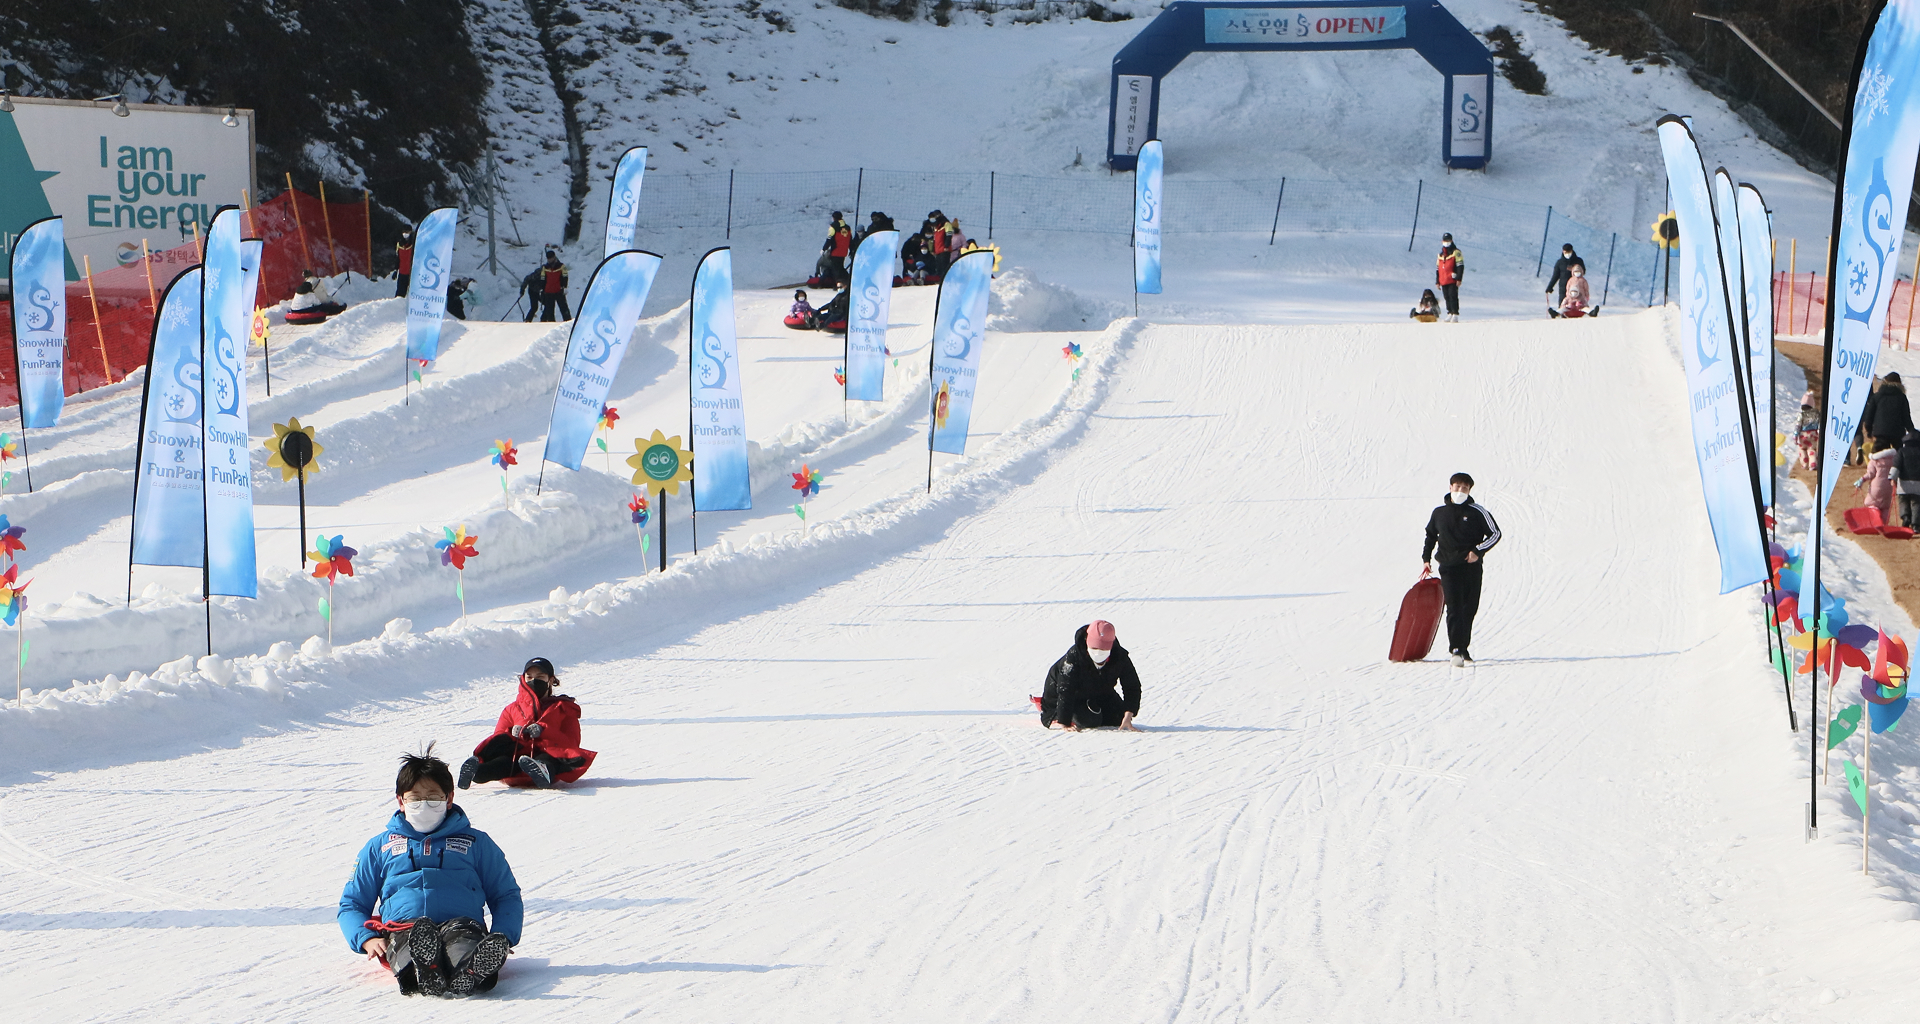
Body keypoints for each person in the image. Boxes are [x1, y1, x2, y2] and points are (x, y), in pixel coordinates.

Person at [338, 746, 522, 998]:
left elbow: (505, 894)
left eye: (433, 797)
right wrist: (365, 938)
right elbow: (352, 902)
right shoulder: (379, 847)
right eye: (415, 798)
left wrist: (504, 934)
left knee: (464, 946)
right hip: (403, 927)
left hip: (462, 923)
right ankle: (422, 970)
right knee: (409, 945)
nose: (424, 804)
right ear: (401, 800)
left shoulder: (476, 843)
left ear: (449, 798)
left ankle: (471, 971)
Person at [460, 657, 596, 789]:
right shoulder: (512, 709)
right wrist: (512, 733)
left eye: (540, 677)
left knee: (546, 759)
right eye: (529, 677)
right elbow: (499, 736)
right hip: (517, 757)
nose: (534, 681)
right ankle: (477, 772)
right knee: (503, 762)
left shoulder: (563, 709)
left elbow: (571, 742)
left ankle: (542, 771)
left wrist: (544, 731)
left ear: (551, 680)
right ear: (523, 679)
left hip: (548, 753)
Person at [1421, 473, 1501, 667]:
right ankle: (1455, 649)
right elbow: (1430, 536)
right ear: (1450, 487)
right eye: (1457, 487)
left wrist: (1477, 551)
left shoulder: (1478, 511)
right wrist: (1426, 559)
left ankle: (1464, 648)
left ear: (1469, 491)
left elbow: (1495, 533)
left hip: (1471, 567)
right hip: (1448, 567)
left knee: (1469, 607)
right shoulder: (1439, 512)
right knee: (1454, 607)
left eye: (1464, 488)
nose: (1460, 491)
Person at [1037, 620, 1142, 731]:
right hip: (1066, 698)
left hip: (1098, 692)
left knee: (1117, 718)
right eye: (1094, 649)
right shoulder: (1074, 656)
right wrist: (1064, 722)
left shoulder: (1119, 657)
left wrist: (1128, 716)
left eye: (1103, 650)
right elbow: (1066, 690)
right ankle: (1059, 716)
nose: (1097, 653)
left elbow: (1132, 686)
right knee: (1089, 720)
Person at [1865, 372, 1914, 451]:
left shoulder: (1877, 396)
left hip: (1880, 433)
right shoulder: (1902, 397)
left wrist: (1869, 431)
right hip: (1897, 434)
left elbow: (1869, 416)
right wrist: (1912, 432)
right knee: (1898, 459)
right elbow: (1906, 418)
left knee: (1879, 458)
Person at [1855, 440, 1898, 526]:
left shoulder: (1874, 461)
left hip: (1876, 486)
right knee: (1885, 507)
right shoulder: (1893, 459)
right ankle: (1884, 523)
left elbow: (1870, 474)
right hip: (1889, 487)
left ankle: (1875, 522)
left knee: (1873, 504)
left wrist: (1862, 479)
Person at [1545, 244, 1585, 311]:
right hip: (1563, 286)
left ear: (1572, 251)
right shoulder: (1559, 262)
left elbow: (1583, 271)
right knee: (1563, 302)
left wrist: (1575, 269)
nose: (1567, 254)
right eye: (1565, 252)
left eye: (1569, 252)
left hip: (1575, 286)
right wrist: (1550, 287)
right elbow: (1555, 275)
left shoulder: (1578, 260)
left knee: (1576, 302)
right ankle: (1560, 313)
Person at [816, 213, 852, 286]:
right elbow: (849, 239)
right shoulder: (847, 227)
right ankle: (848, 280)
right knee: (840, 267)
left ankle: (839, 284)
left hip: (836, 251)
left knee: (836, 269)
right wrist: (851, 249)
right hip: (844, 251)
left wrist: (824, 249)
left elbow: (829, 239)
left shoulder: (833, 227)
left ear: (834, 218)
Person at [1435, 233, 1465, 321]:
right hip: (1444, 279)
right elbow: (1438, 269)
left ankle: (1455, 313)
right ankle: (1449, 312)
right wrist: (1437, 281)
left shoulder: (1456, 252)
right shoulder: (1440, 255)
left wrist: (1459, 278)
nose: (1446, 242)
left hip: (1452, 279)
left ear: (1451, 241)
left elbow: (1460, 266)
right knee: (1446, 296)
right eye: (1445, 241)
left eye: (1448, 240)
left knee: (1453, 295)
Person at [538, 252, 571, 322]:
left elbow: (565, 277)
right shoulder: (545, 267)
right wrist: (542, 289)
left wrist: (564, 287)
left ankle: (569, 323)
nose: (549, 260)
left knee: (564, 309)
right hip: (548, 292)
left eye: (551, 258)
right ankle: (551, 325)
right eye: (548, 258)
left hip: (559, 291)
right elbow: (542, 279)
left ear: (554, 257)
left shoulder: (561, 266)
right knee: (549, 311)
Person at [1899, 429, 1920, 527]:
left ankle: (1905, 516)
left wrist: (1891, 478)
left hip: (1903, 483)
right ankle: (1915, 525)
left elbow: (1896, 466)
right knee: (1916, 503)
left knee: (1903, 500)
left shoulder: (1901, 452)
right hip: (1918, 483)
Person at [394, 229, 415, 298]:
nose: (405, 234)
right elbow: (398, 259)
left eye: (407, 232)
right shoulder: (399, 244)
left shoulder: (414, 244)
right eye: (404, 232)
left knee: (412, 292)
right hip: (402, 272)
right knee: (400, 292)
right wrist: (396, 270)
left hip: (412, 273)